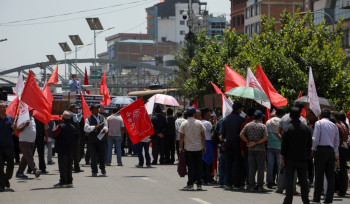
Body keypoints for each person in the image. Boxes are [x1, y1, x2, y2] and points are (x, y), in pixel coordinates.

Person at [281, 107, 312, 204]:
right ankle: (306, 201)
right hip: (303, 159)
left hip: (290, 159)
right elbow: (309, 145)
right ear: (300, 116)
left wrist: (282, 160)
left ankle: (288, 201)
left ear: (290, 116)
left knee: (289, 182)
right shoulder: (307, 128)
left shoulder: (287, 128)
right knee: (303, 182)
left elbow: (284, 146)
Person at [276, 103, 307, 194]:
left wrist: (284, 140)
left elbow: (278, 132)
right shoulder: (303, 120)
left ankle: (280, 188)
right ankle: (292, 189)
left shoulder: (284, 117)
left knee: (283, 167)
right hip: (297, 149)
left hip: (284, 146)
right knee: (294, 170)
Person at [312, 108, 339, 204]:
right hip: (331, 151)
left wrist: (313, 149)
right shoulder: (334, 126)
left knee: (319, 175)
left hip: (321, 150)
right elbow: (336, 143)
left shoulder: (318, 123)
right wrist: (335, 153)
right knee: (330, 176)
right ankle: (329, 199)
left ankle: (316, 199)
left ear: (321, 115)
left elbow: (315, 139)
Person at [240, 110, 268, 192]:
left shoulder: (248, 125)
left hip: (250, 149)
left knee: (251, 168)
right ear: (260, 117)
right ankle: (260, 186)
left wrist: (248, 142)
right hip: (260, 149)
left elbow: (241, 134)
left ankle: (251, 185)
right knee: (261, 168)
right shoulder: (263, 126)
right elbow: (265, 138)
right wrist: (256, 143)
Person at [179, 107, 206, 191]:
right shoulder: (199, 123)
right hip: (198, 148)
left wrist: (180, 147)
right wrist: (204, 146)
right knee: (199, 166)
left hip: (188, 148)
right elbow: (203, 136)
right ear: (194, 114)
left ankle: (190, 184)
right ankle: (199, 184)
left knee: (190, 167)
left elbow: (181, 137)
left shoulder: (184, 123)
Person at [220, 102, 244, 190]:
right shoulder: (241, 120)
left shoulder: (225, 119)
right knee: (237, 164)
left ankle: (228, 183)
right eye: (241, 109)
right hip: (237, 143)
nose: (242, 110)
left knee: (228, 163)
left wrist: (223, 143)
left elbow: (223, 134)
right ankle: (237, 184)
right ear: (238, 109)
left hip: (228, 143)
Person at [15, 109, 42, 178]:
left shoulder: (33, 119)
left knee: (25, 158)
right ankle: (36, 170)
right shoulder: (22, 119)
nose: (31, 113)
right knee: (29, 157)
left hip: (32, 142)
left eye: (32, 111)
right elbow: (17, 130)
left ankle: (19, 172)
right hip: (24, 142)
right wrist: (24, 126)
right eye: (29, 111)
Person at [52, 111, 76, 187]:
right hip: (70, 149)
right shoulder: (73, 127)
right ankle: (69, 181)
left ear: (63, 118)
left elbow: (54, 135)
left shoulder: (61, 126)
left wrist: (56, 128)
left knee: (62, 166)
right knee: (69, 166)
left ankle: (63, 181)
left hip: (62, 149)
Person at [84, 104, 108, 177]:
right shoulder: (88, 118)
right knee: (93, 156)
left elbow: (106, 125)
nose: (97, 110)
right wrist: (94, 127)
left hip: (101, 139)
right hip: (92, 140)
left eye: (98, 108)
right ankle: (94, 170)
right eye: (95, 109)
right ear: (92, 110)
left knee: (102, 155)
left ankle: (102, 168)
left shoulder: (102, 117)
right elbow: (86, 128)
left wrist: (105, 129)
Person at [266, 107, 285, 188]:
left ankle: (269, 181)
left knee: (270, 165)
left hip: (270, 145)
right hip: (279, 146)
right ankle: (279, 183)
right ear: (283, 114)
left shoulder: (268, 122)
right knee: (279, 165)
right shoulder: (283, 122)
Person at [332, 112, 349, 197]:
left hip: (339, 148)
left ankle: (340, 189)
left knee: (339, 169)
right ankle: (343, 188)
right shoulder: (344, 126)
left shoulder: (336, 126)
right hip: (345, 147)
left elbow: (338, 140)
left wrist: (335, 151)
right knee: (343, 169)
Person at [0, 101, 15, 192]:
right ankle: (1, 185)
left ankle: (6, 179)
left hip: (9, 146)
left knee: (11, 166)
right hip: (0, 148)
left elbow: (15, 131)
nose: (3, 109)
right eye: (1, 108)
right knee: (0, 167)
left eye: (4, 107)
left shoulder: (10, 119)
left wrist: (15, 127)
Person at [239, 108, 255, 188]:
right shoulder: (261, 124)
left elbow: (242, 137)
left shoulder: (244, 123)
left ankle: (249, 181)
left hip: (247, 147)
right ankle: (253, 182)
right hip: (258, 148)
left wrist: (242, 148)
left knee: (248, 165)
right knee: (256, 166)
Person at [200, 108, 214, 185]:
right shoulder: (208, 123)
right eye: (209, 114)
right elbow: (213, 132)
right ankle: (209, 178)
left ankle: (203, 178)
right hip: (208, 142)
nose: (210, 116)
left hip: (201, 142)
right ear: (205, 115)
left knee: (203, 161)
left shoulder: (199, 122)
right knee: (208, 161)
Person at [69, 104, 84, 173]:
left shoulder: (72, 115)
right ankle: (75, 167)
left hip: (72, 136)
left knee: (72, 152)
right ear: (72, 108)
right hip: (74, 136)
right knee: (75, 152)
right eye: (75, 108)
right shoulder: (72, 115)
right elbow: (76, 124)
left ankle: (72, 166)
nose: (77, 110)